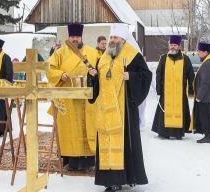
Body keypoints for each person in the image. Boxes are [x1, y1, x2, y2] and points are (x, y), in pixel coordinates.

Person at [88, 24, 151, 191]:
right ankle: (111, 180)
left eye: (116, 38)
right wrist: (92, 76)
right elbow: (98, 83)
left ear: (123, 39)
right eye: (111, 38)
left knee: (125, 145)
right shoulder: (103, 58)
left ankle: (129, 176)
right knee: (107, 144)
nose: (112, 40)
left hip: (124, 111)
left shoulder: (132, 55)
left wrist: (131, 76)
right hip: (105, 111)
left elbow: (146, 75)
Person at [48, 23, 99, 171]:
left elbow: (99, 69)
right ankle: (69, 158)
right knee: (69, 129)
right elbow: (49, 68)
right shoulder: (60, 53)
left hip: (87, 98)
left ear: (81, 37)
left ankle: (89, 159)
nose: (75, 39)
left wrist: (95, 74)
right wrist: (60, 74)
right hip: (67, 98)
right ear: (68, 37)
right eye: (72, 37)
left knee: (86, 127)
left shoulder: (93, 52)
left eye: (77, 37)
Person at [151, 36, 194, 140]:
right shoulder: (163, 58)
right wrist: (159, 89)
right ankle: (163, 133)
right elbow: (158, 74)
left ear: (179, 46)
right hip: (166, 92)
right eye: (171, 45)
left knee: (179, 111)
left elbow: (191, 75)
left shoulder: (185, 59)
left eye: (175, 45)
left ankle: (178, 133)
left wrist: (191, 89)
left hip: (180, 93)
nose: (172, 47)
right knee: (164, 112)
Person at [192, 42, 210, 143]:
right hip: (209, 95)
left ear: (206, 52)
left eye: (200, 51)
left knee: (204, 116)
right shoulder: (209, 61)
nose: (198, 53)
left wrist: (199, 96)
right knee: (208, 113)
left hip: (206, 96)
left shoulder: (208, 64)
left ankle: (208, 136)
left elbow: (205, 83)